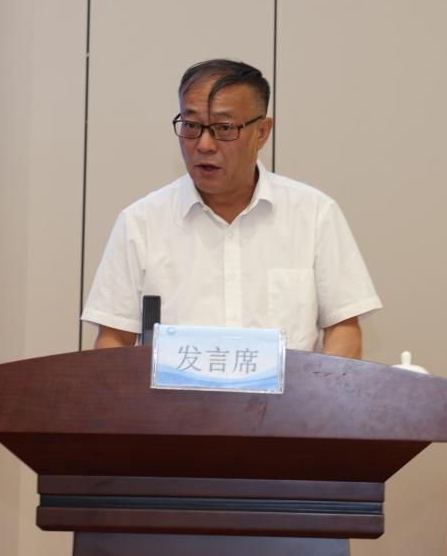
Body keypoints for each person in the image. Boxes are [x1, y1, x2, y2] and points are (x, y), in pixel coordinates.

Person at [81, 59, 381, 358]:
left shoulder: (314, 213)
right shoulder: (141, 222)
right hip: (175, 391)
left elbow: (343, 328)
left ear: (262, 132)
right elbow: (113, 340)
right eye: (191, 125)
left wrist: (321, 389)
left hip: (290, 392)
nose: (204, 144)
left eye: (223, 128)